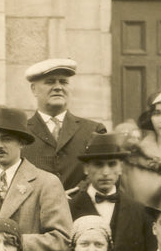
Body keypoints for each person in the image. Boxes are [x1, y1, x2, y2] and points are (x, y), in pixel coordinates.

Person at [0, 106, 73, 251]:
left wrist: (11, 245)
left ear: (21, 142)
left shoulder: (46, 183)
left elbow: (62, 240)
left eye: (6, 139)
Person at [68, 133, 153, 251]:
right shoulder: (69, 209)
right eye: (98, 165)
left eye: (112, 164)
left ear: (121, 168)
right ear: (85, 168)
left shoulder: (139, 210)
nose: (106, 172)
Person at [23, 59, 107, 190]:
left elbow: (102, 172)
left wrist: (76, 194)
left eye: (64, 82)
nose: (58, 87)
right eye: (50, 82)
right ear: (34, 89)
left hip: (80, 207)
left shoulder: (93, 130)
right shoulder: (21, 132)